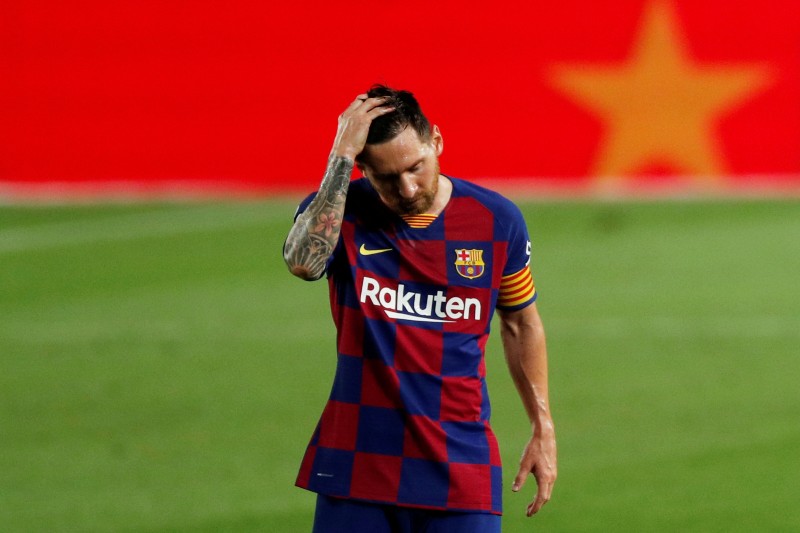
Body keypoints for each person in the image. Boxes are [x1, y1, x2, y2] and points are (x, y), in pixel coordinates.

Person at [283, 85, 556, 533]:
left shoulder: (495, 220)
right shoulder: (341, 213)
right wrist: (339, 158)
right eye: (387, 178)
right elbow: (302, 263)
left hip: (460, 466)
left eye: (416, 167)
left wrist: (542, 426)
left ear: (437, 140)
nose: (407, 188)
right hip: (358, 464)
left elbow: (522, 323)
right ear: (363, 168)